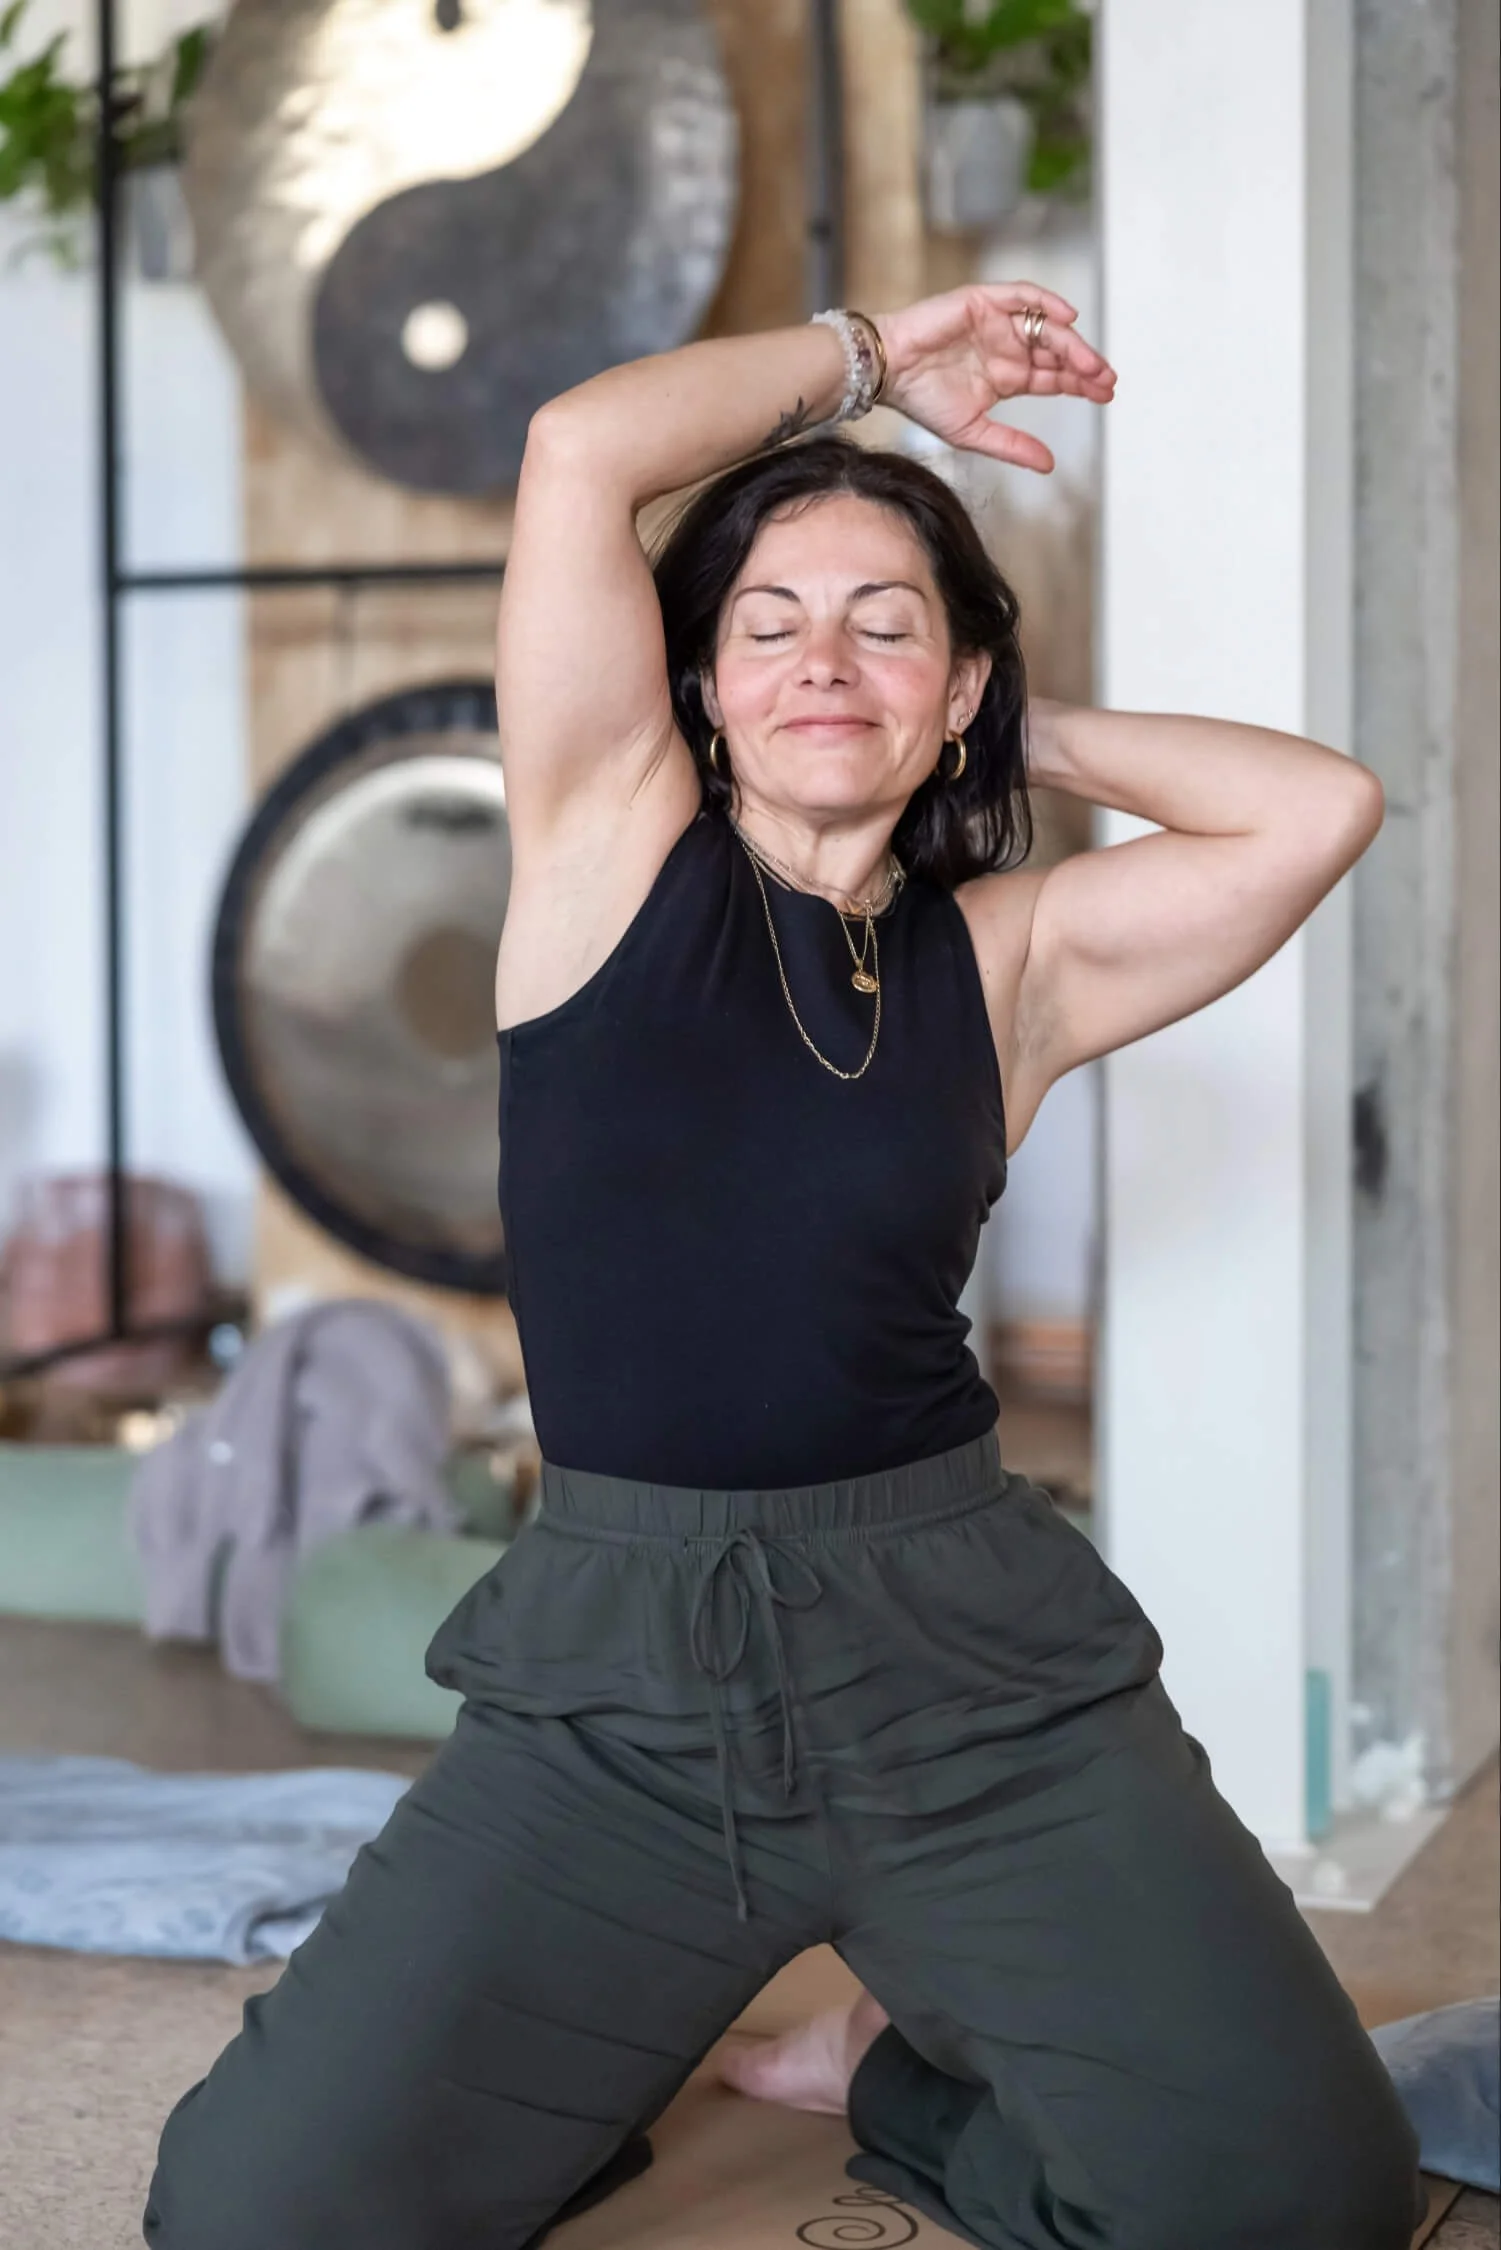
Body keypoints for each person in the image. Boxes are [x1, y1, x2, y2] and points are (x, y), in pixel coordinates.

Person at [142, 285, 1425, 2250]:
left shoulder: (1007, 961)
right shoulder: (603, 851)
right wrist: (873, 366)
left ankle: (896, 2072)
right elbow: (586, 449)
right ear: (694, 686)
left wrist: (989, 715)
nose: (825, 659)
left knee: (1302, 2204)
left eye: (883, 621)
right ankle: (568, 2048)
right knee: (251, 2221)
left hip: (967, 1668)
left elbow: (1318, 807)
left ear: (957, 680)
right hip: (625, 1681)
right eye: (773, 627)